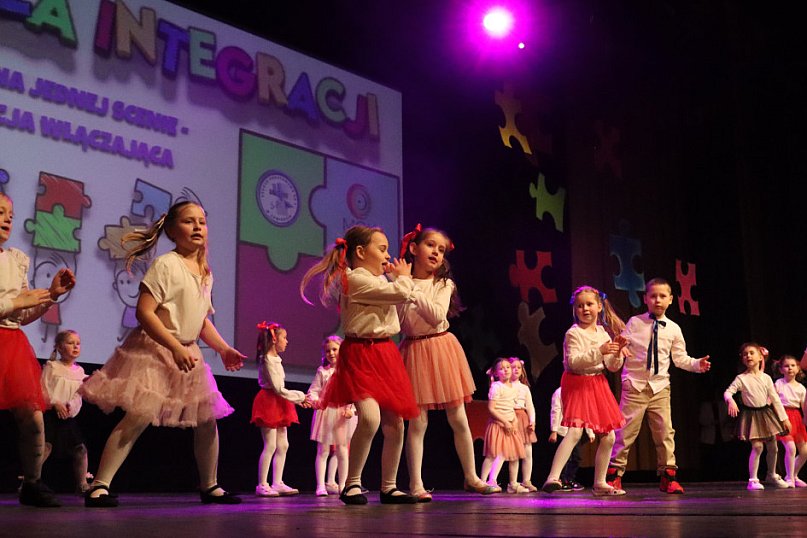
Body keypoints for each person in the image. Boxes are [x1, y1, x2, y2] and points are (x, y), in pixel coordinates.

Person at [80, 201, 246, 507]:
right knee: (139, 415)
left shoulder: (205, 271)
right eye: (188, 221)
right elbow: (145, 312)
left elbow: (200, 319)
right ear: (171, 229)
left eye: (202, 222)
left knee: (207, 418)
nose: (197, 227)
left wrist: (223, 348)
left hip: (187, 351)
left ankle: (210, 485)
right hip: (156, 348)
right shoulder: (166, 265)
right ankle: (99, 485)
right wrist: (174, 347)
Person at [299, 225, 420, 505]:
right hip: (361, 353)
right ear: (361, 252)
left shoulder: (379, 278)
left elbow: (400, 294)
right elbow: (400, 293)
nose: (388, 255)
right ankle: (351, 483)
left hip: (385, 352)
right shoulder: (354, 279)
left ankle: (389, 486)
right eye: (382, 249)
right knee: (370, 417)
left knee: (396, 422)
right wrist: (402, 277)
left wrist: (397, 279)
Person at [397, 225, 496, 500]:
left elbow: (437, 315)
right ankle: (416, 484)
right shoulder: (400, 281)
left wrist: (409, 289)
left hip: (441, 347)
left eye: (441, 250)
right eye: (430, 245)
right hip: (413, 350)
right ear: (414, 248)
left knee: (458, 417)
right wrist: (403, 284)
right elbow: (401, 321)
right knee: (417, 422)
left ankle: (471, 477)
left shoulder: (443, 284)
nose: (436, 253)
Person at [0, 192, 76, 507]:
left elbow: (21, 314)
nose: (7, 219)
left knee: (33, 419)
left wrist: (50, 296)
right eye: (0, 212)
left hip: (11, 343)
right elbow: (16, 303)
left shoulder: (15, 259)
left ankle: (32, 483)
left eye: (10, 214)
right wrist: (17, 301)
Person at [607, 277, 711, 494]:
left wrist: (696, 364)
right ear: (645, 298)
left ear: (671, 299)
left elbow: (680, 358)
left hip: (660, 387)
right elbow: (622, 346)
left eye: (662, 296)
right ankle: (614, 476)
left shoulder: (673, 328)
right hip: (635, 385)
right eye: (653, 296)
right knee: (625, 432)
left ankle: (668, 477)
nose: (658, 300)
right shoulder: (635, 323)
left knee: (665, 432)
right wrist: (620, 349)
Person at [543, 286, 627, 496]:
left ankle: (600, 483)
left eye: (589, 304)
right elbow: (573, 362)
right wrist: (599, 351)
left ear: (599, 306)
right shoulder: (573, 333)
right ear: (575, 309)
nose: (585, 309)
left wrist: (617, 353)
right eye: (580, 306)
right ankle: (553, 477)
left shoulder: (603, 333)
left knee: (608, 436)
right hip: (577, 382)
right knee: (575, 432)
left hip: (597, 383)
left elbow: (612, 366)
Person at [252, 321, 310, 497]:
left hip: (280, 401)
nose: (287, 341)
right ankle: (262, 484)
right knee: (270, 445)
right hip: (270, 401)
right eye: (284, 338)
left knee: (283, 444)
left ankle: (277, 482)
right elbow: (278, 388)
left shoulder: (276, 359)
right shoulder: (267, 360)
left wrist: (298, 400)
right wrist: (300, 397)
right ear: (274, 340)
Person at [724, 343, 791, 490]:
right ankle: (753, 479)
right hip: (751, 416)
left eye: (751, 353)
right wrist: (730, 400)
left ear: (760, 357)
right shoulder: (741, 378)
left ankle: (771, 474)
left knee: (773, 447)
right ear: (742, 359)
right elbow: (728, 392)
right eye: (745, 354)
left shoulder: (766, 378)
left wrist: (784, 418)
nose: (748, 356)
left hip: (766, 414)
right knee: (757, 446)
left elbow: (775, 399)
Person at [40, 329, 90, 494]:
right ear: (60, 347)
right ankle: (30, 481)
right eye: (70, 343)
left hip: (68, 415)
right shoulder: (52, 366)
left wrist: (70, 406)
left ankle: (82, 484)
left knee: (80, 449)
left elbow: (79, 395)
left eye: (78, 344)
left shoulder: (80, 371)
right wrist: (55, 403)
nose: (75, 347)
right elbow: (43, 389)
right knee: (44, 447)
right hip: (50, 413)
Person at [307, 335, 357, 497]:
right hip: (326, 413)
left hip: (342, 414)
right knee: (323, 450)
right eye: (328, 351)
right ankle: (321, 485)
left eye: (335, 349)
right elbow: (313, 391)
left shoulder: (348, 371)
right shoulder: (323, 371)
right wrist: (315, 401)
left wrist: (352, 410)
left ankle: (343, 485)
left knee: (342, 450)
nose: (331, 353)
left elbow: (355, 394)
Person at [486, 357, 536, 493]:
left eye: (518, 367)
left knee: (524, 452)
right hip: (507, 418)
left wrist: (532, 421)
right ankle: (492, 480)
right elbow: (495, 405)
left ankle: (525, 481)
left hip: (520, 419)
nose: (515, 370)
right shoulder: (500, 386)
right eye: (512, 367)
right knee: (503, 452)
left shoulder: (523, 388)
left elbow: (530, 406)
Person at [479, 358, 525, 493]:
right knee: (492, 454)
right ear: (496, 373)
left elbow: (511, 407)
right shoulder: (496, 387)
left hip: (510, 426)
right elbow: (491, 408)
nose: (506, 370)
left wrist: (514, 421)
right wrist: (504, 422)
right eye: (501, 368)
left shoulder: (513, 388)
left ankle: (511, 483)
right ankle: (482, 482)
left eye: (507, 367)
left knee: (513, 455)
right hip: (498, 425)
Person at [548, 386, 594, 492]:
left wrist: (590, 432)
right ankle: (560, 480)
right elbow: (555, 411)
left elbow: (584, 413)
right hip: (563, 430)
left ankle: (569, 479)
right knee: (565, 457)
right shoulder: (559, 392)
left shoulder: (578, 393)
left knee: (576, 457)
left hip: (575, 430)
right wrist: (554, 431)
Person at [773, 355, 807, 487]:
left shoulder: (801, 388)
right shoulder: (779, 383)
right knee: (791, 448)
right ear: (781, 369)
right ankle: (789, 477)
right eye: (786, 366)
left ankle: (794, 475)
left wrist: (805, 418)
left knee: (804, 451)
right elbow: (773, 401)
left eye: (793, 365)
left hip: (796, 418)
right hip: (783, 417)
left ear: (798, 368)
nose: (790, 368)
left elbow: (804, 406)